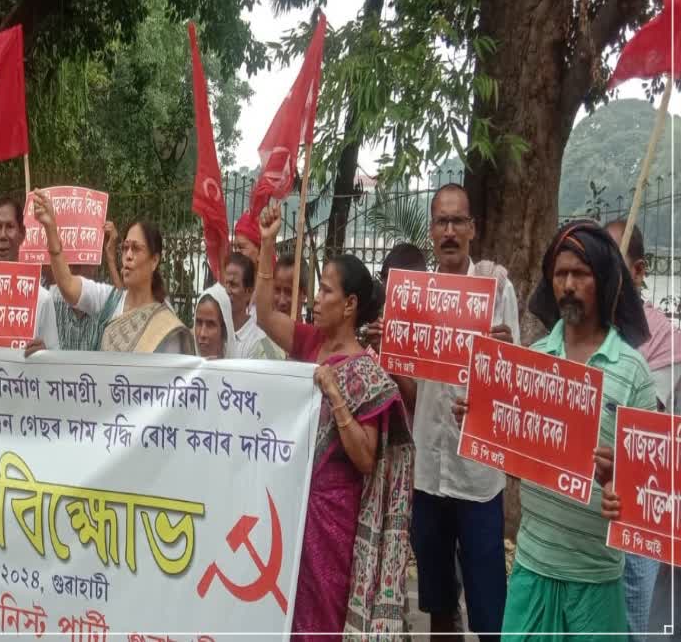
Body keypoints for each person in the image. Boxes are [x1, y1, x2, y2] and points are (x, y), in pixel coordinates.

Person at [485, 219, 656, 638]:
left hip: (596, 580)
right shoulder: (535, 360)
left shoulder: (634, 373)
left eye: (580, 274)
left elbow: (652, 491)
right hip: (532, 568)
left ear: (604, 280)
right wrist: (484, 422)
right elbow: (513, 465)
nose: (568, 285)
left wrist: (621, 477)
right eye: (560, 274)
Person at [253, 203, 413, 638]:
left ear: (350, 305)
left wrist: (335, 394)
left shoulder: (367, 374)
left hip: (334, 521)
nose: (315, 299)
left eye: (325, 291)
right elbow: (265, 315)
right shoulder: (308, 343)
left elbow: (365, 458)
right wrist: (267, 244)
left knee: (323, 618)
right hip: (292, 508)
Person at [408, 184, 518, 640]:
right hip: (428, 473)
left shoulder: (496, 288)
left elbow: (513, 382)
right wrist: (387, 351)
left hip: (477, 476)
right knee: (437, 605)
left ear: (473, 229)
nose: (449, 231)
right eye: (441, 222)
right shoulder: (414, 298)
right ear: (431, 231)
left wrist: (502, 358)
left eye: (458, 221)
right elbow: (410, 388)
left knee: (489, 608)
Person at [605, 219, 678, 641]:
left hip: (637, 513)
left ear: (638, 271)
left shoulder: (663, 340)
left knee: (635, 620)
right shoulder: (582, 333)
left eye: (613, 263)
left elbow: (648, 424)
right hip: (584, 516)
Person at [33, 190, 195, 354]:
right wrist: (51, 228)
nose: (128, 256)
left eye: (136, 249)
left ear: (154, 261)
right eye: (125, 248)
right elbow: (67, 285)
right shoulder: (110, 300)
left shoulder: (165, 321)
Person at [0, 196, 59, 349]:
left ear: (22, 234)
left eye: (10, 227)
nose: (3, 235)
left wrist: (44, 353)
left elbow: (54, 360)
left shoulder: (42, 299)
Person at [51, 221, 124, 351]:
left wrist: (111, 258)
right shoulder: (51, 300)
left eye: (84, 258)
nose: (77, 265)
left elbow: (124, 315)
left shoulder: (103, 301)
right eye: (72, 260)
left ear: (96, 264)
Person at [248, 253, 308, 360]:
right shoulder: (257, 340)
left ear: (304, 294)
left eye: (289, 292)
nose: (281, 301)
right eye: (277, 290)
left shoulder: (312, 343)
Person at [223, 252, 266, 358]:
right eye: (225, 284)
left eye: (233, 285)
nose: (227, 291)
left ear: (248, 292)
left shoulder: (258, 340)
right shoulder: (214, 331)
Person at [194, 283, 234, 359]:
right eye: (199, 323)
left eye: (210, 325)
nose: (202, 334)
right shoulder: (186, 369)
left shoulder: (239, 369)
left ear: (224, 330)